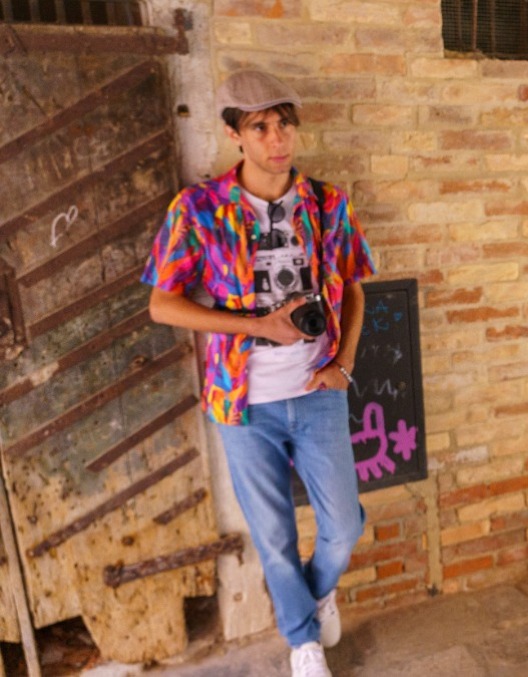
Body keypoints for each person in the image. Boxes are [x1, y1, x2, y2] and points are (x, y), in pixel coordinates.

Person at [141, 70, 374, 677]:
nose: (277, 139)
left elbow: (353, 288)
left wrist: (343, 364)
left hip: (318, 387)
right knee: (272, 536)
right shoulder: (197, 210)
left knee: (344, 527)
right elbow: (162, 304)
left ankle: (317, 593)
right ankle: (302, 641)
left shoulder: (327, 203)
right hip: (242, 403)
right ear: (234, 134)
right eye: (259, 126)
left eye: (284, 123)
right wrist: (257, 328)